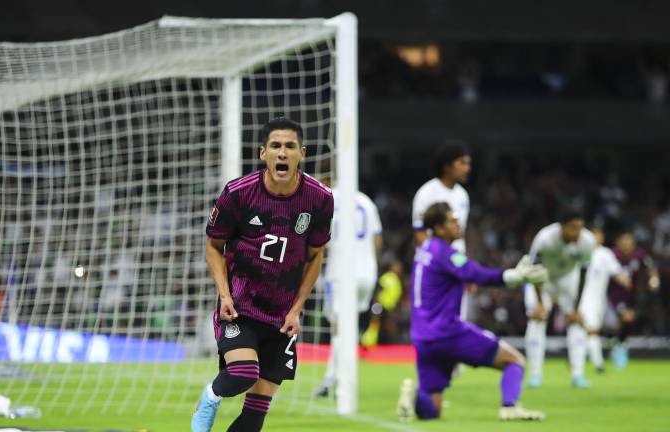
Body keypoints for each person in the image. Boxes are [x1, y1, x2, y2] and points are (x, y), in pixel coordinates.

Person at [191, 117, 334, 432]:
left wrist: (297, 310)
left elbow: (315, 256)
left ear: (302, 153)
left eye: (289, 146)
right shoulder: (239, 193)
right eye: (275, 146)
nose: (282, 153)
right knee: (242, 373)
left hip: (282, 317)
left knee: (256, 414)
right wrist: (224, 295)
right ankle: (210, 397)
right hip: (240, 307)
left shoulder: (320, 199)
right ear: (262, 154)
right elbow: (214, 245)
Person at [398, 202, 547, 422]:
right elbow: (477, 274)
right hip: (447, 331)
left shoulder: (424, 251)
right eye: (451, 220)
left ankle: (413, 397)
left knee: (433, 412)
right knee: (515, 361)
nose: (458, 223)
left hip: (422, 336)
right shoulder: (446, 252)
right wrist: (515, 276)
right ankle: (510, 406)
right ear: (439, 228)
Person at [411, 140, 473, 377]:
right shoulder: (427, 193)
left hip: (456, 266)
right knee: (434, 317)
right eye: (462, 163)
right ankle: (432, 369)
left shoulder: (462, 195)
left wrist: (467, 268)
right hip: (435, 268)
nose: (467, 168)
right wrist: (436, 262)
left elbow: (462, 235)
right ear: (447, 166)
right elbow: (419, 232)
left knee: (457, 315)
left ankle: (448, 371)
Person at [314, 184, 382, 397]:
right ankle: (337, 377)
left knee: (337, 327)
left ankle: (335, 380)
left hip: (341, 273)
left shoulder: (329, 198)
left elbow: (319, 240)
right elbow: (377, 240)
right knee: (349, 326)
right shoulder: (366, 202)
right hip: (367, 273)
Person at [524, 209, 596, 388]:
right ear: (561, 226)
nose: (577, 233)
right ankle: (535, 375)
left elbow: (584, 273)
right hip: (542, 279)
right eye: (572, 228)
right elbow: (534, 270)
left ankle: (578, 375)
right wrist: (540, 303)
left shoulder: (587, 241)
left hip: (568, 280)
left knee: (577, 322)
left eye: (579, 228)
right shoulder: (545, 238)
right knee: (537, 320)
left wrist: (576, 308)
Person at [577, 227, 630, 374]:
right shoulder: (580, 252)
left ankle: (577, 359)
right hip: (583, 298)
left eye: (598, 235)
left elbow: (616, 271)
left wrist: (625, 280)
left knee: (590, 331)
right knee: (591, 330)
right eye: (593, 235)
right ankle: (598, 364)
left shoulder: (605, 254)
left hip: (600, 299)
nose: (596, 237)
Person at [609, 230, 661, 369]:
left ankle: (619, 347)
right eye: (624, 241)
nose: (627, 245)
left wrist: (654, 279)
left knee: (628, 320)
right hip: (613, 296)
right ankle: (618, 348)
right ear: (618, 242)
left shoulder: (640, 255)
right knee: (624, 318)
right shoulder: (611, 255)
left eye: (630, 242)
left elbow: (652, 268)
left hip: (634, 296)